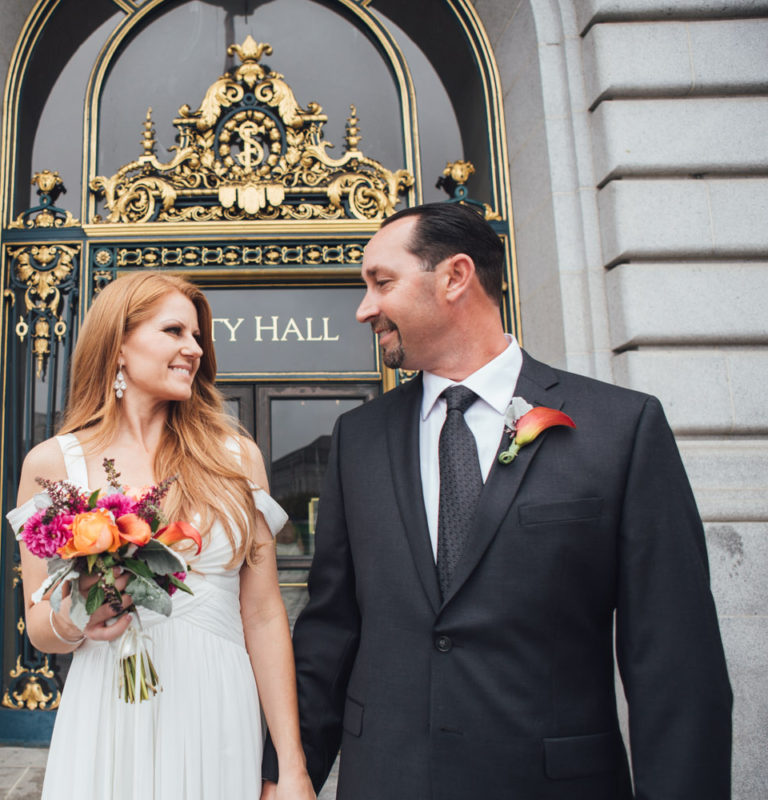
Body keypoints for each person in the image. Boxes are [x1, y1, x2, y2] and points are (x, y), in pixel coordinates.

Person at [261, 203, 732, 799]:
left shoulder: (621, 427)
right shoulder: (360, 438)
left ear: (455, 277)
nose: (364, 310)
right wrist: (286, 773)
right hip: (388, 780)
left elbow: (675, 661)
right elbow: (332, 629)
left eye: (382, 283)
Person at [9, 272, 315, 800]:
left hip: (218, 704)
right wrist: (80, 614)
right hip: (109, 703)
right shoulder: (54, 463)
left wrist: (292, 766)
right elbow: (39, 629)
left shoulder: (237, 458)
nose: (193, 349)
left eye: (197, 337)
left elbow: (264, 615)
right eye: (174, 331)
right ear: (119, 347)